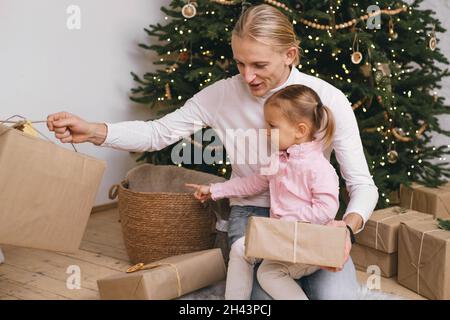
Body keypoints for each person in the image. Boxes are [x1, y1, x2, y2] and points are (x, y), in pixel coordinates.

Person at [47, 4, 378, 299]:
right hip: (251, 212)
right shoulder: (221, 95)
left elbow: (361, 183)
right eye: (240, 63)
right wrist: (95, 131)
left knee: (337, 295)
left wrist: (346, 226)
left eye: (259, 64)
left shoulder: (328, 99)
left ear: (290, 54)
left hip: (310, 219)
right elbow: (158, 133)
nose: (248, 77)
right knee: (265, 294)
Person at [186, 84, 340, 300]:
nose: (266, 132)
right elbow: (252, 183)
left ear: (300, 130)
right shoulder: (278, 159)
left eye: (272, 126)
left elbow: (327, 209)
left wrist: (287, 221)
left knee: (267, 270)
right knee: (249, 256)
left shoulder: (319, 167)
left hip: (307, 244)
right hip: (283, 239)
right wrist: (214, 190)